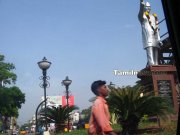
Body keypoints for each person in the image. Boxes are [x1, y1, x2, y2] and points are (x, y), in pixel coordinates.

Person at [138, 0, 162, 66]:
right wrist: (141, 3)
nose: (148, 8)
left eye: (149, 7)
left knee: (156, 49)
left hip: (154, 35)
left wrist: (159, 39)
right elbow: (141, 10)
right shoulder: (142, 16)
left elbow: (156, 28)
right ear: (144, 7)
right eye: (147, 7)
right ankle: (151, 64)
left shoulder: (154, 16)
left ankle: (156, 64)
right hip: (147, 35)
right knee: (150, 48)